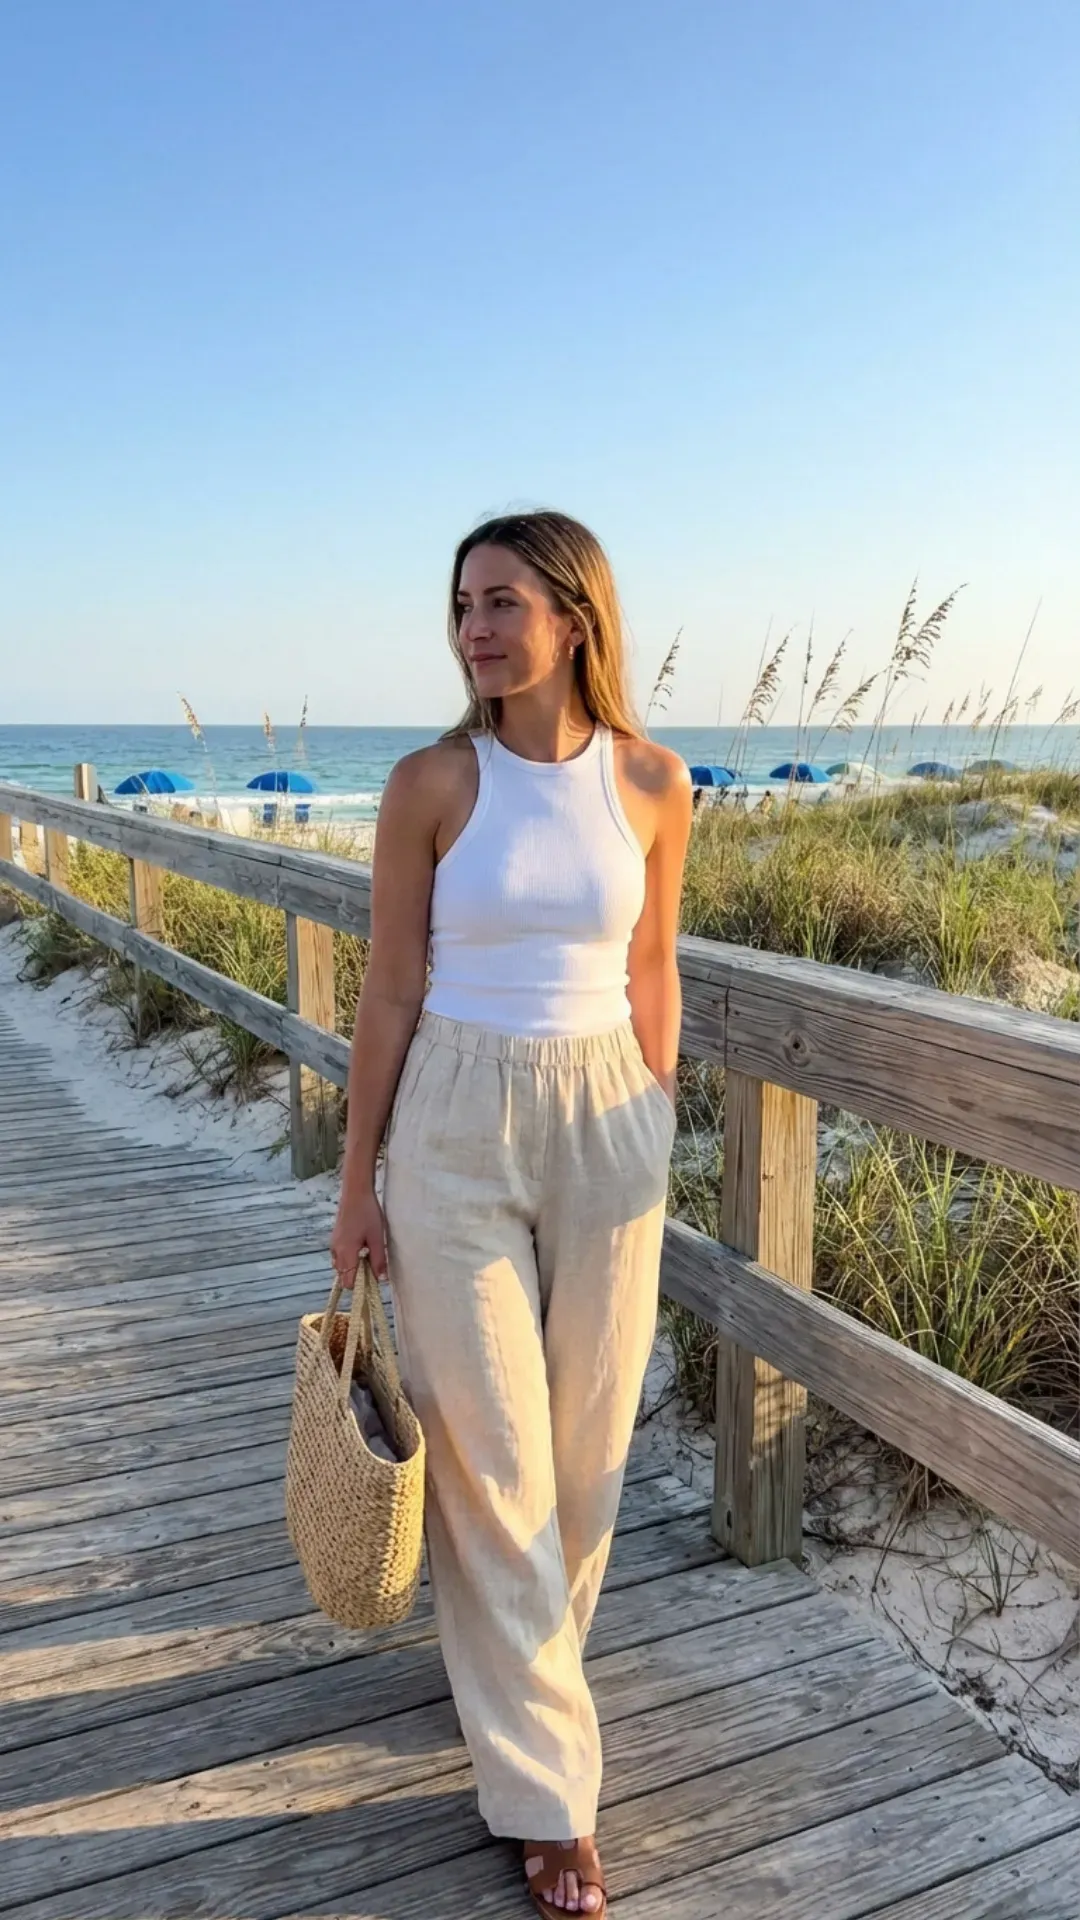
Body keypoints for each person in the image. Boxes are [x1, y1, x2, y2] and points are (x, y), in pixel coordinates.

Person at [330, 510, 692, 1916]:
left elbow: (653, 960)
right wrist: (358, 1180)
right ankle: (549, 1798)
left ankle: (515, 1687)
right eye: (464, 604)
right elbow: (387, 990)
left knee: (589, 1455)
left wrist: (652, 1104)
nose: (477, 628)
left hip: (609, 1120)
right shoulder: (432, 781)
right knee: (492, 1460)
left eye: (503, 602)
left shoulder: (654, 782)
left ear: (575, 618)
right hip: (455, 1122)